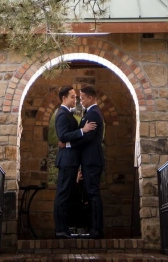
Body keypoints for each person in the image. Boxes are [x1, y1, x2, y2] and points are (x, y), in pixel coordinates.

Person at [54, 85, 96, 239]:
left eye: (76, 97)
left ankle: (64, 229)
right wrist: (82, 131)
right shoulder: (62, 114)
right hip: (66, 161)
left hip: (71, 161)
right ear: (64, 98)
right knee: (63, 195)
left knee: (66, 195)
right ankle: (61, 230)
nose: (75, 99)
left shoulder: (67, 114)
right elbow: (63, 136)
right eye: (72, 96)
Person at [77, 85, 105, 239]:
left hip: (92, 160)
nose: (80, 101)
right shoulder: (89, 113)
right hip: (89, 160)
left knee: (93, 194)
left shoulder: (93, 114)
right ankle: (94, 228)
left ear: (91, 98)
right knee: (91, 193)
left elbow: (87, 137)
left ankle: (97, 230)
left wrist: (70, 142)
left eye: (82, 98)